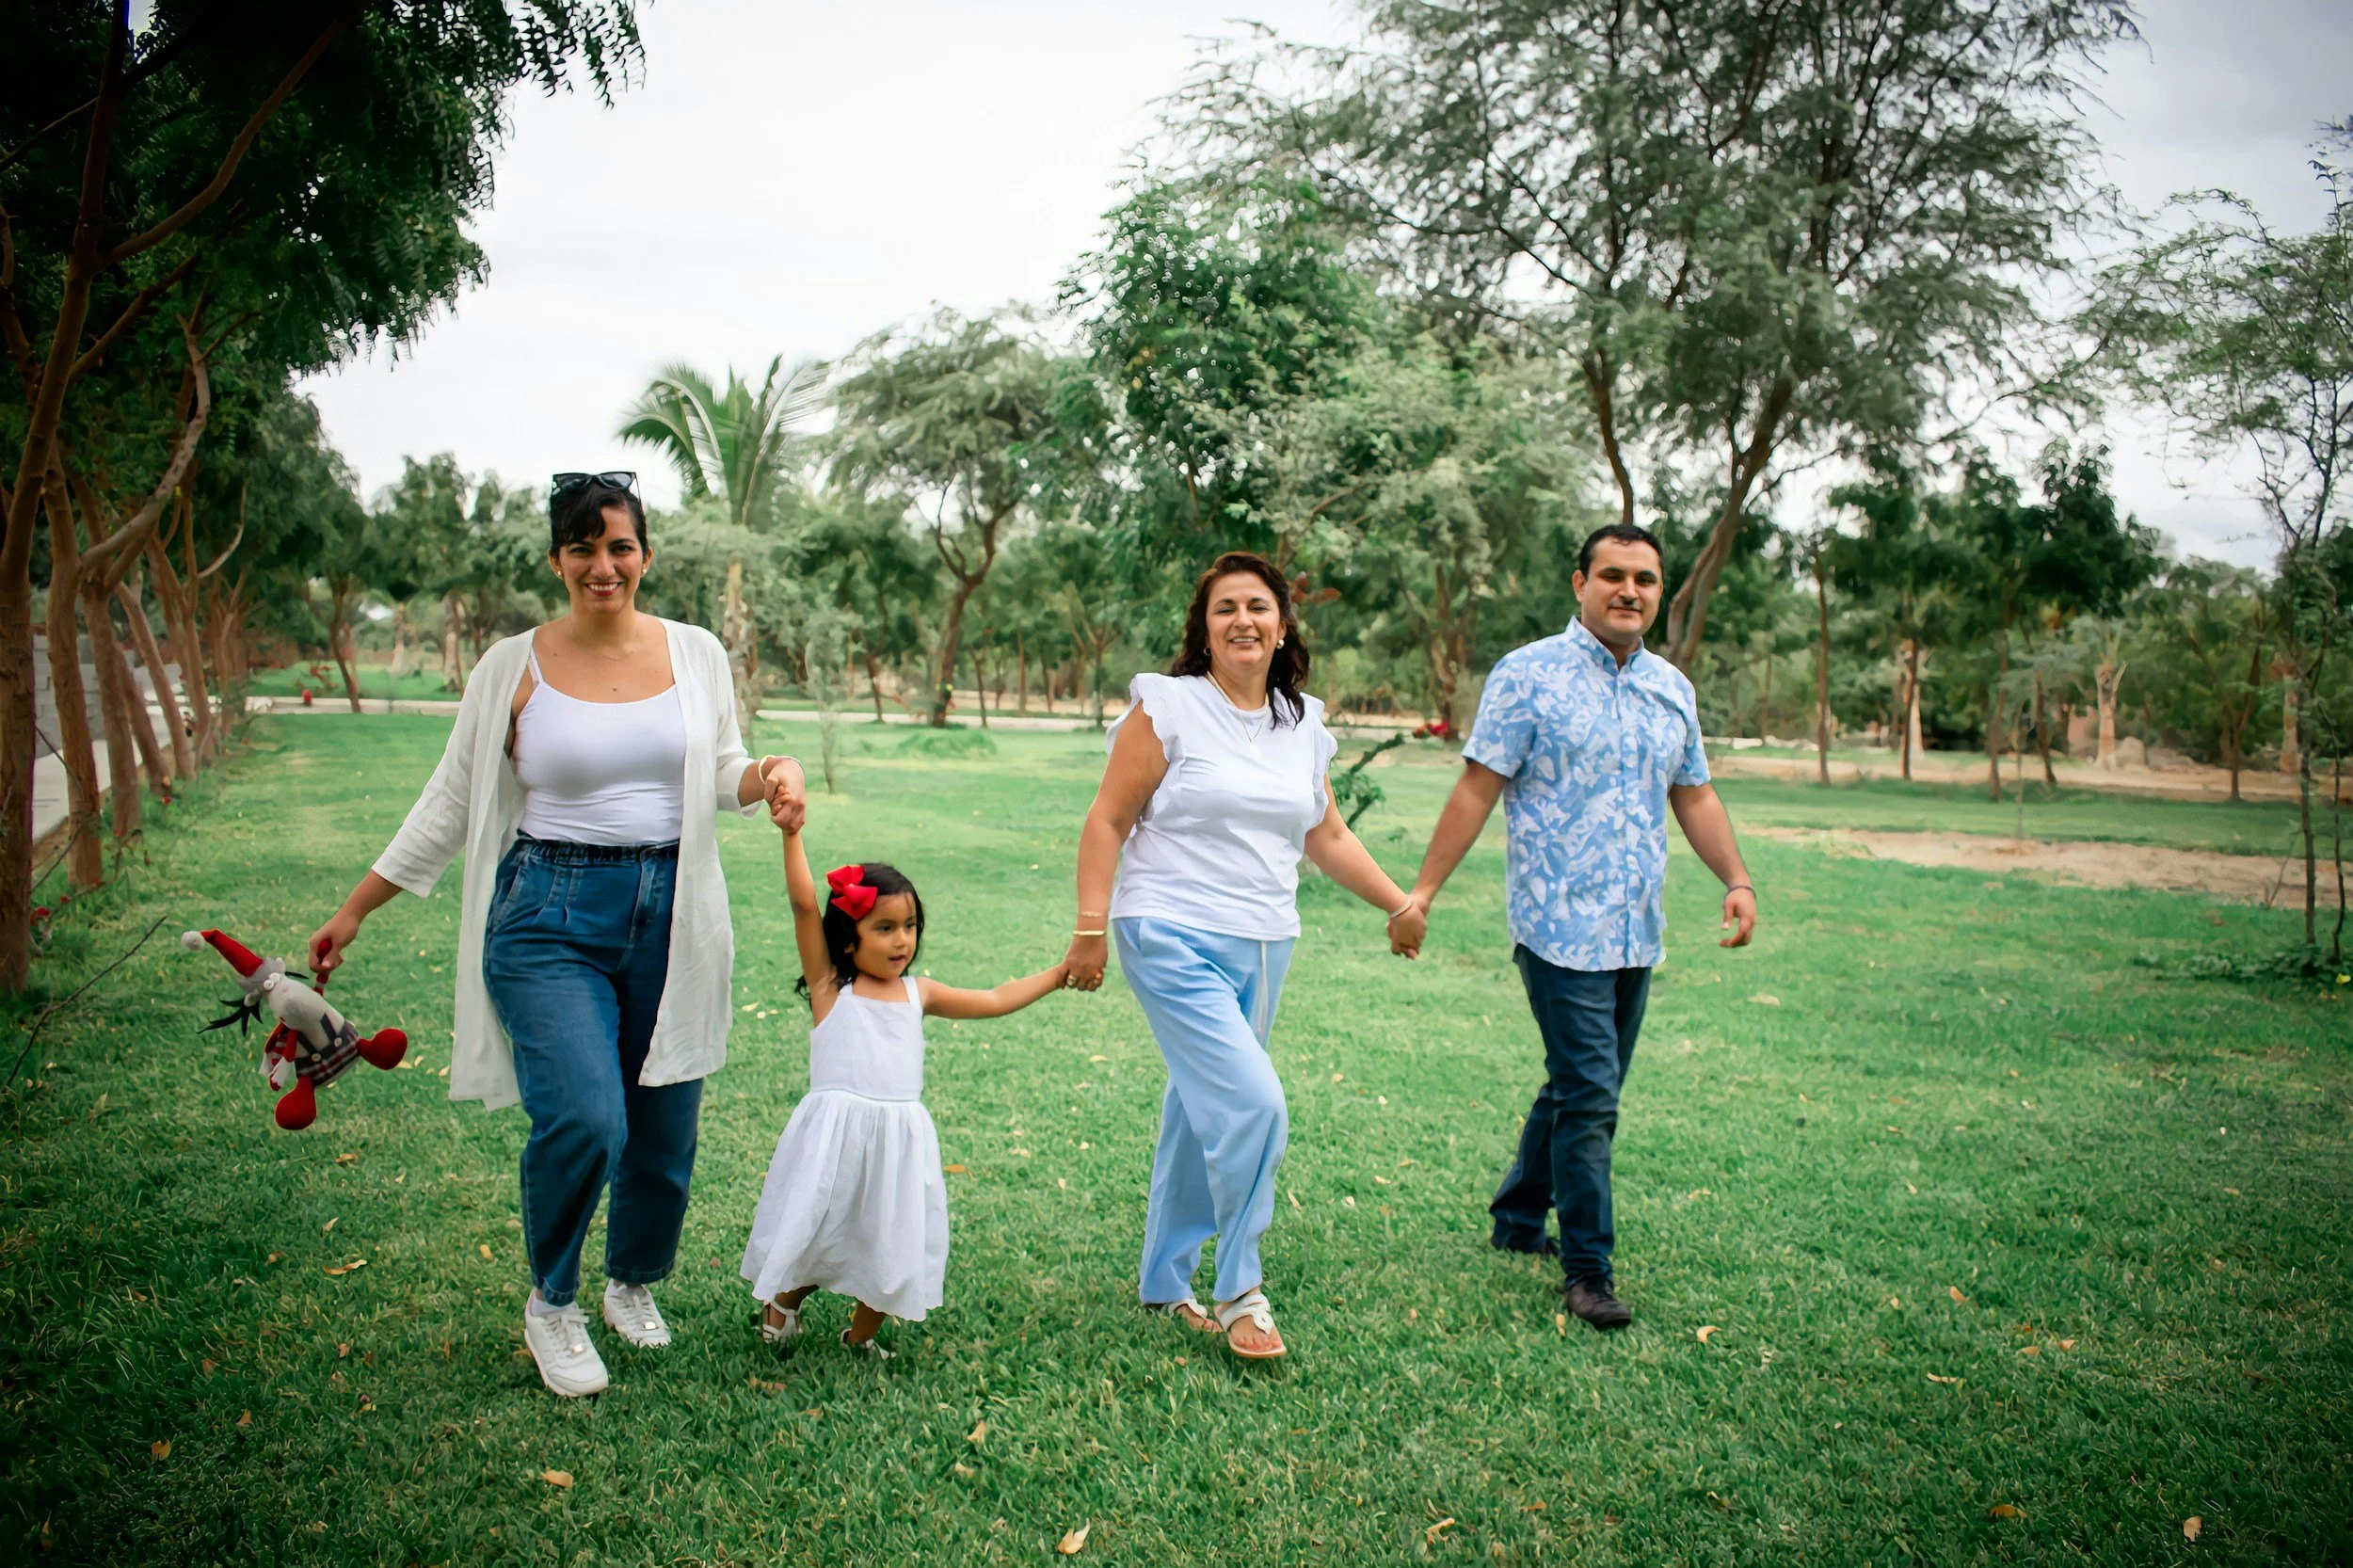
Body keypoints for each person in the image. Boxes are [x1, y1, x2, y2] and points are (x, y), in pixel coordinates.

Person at [308, 471, 807, 1398]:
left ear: (645, 555)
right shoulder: (514, 665)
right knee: (586, 1114)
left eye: (619, 546)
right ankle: (553, 1301)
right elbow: (452, 800)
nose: (603, 564)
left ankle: (632, 1283)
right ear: (557, 560)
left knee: (662, 1123)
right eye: (583, 547)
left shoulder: (695, 653)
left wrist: (769, 771)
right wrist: (356, 906)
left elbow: (721, 766)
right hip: (547, 912)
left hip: (672, 910)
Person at [1064, 552, 1427, 1360]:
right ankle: (1239, 1287)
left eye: (1258, 605)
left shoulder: (1301, 725)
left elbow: (1324, 835)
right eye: (1225, 607)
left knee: (1201, 1106)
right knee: (1255, 1105)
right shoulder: (1169, 709)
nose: (1243, 620)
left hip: (1265, 941)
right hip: (1167, 928)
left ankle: (1164, 1279)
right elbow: (1106, 821)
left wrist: (1399, 903)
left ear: (1282, 624)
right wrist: (1091, 927)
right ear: (1204, 627)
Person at [1397, 521, 1757, 1332]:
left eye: (1647, 580)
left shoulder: (1671, 687)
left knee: (1580, 1084)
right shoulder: (1528, 677)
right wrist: (1423, 891)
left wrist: (1735, 878)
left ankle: (1520, 1216)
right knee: (1592, 1095)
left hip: (1637, 929)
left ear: (1660, 593)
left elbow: (1692, 793)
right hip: (1558, 929)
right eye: (1614, 575)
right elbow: (1476, 788)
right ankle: (1587, 1268)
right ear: (1580, 583)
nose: (1630, 591)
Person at [744, 819, 1068, 1355]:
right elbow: (805, 906)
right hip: (837, 1140)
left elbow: (994, 999)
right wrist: (791, 833)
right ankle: (783, 1299)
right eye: (885, 927)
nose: (903, 940)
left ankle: (860, 1337)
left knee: (890, 1244)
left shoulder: (921, 993)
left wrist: (1058, 974)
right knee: (821, 1232)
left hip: (899, 1141)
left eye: (910, 925)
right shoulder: (832, 990)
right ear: (849, 940)